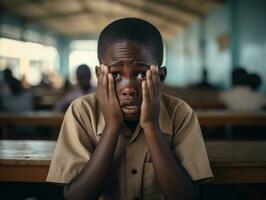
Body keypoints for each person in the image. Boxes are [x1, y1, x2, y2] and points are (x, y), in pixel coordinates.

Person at [47, 18, 213, 200]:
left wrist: (151, 126)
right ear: (99, 75)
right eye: (115, 74)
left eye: (142, 74)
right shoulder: (81, 112)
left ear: (161, 76)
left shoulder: (180, 114)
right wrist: (112, 126)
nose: (128, 88)